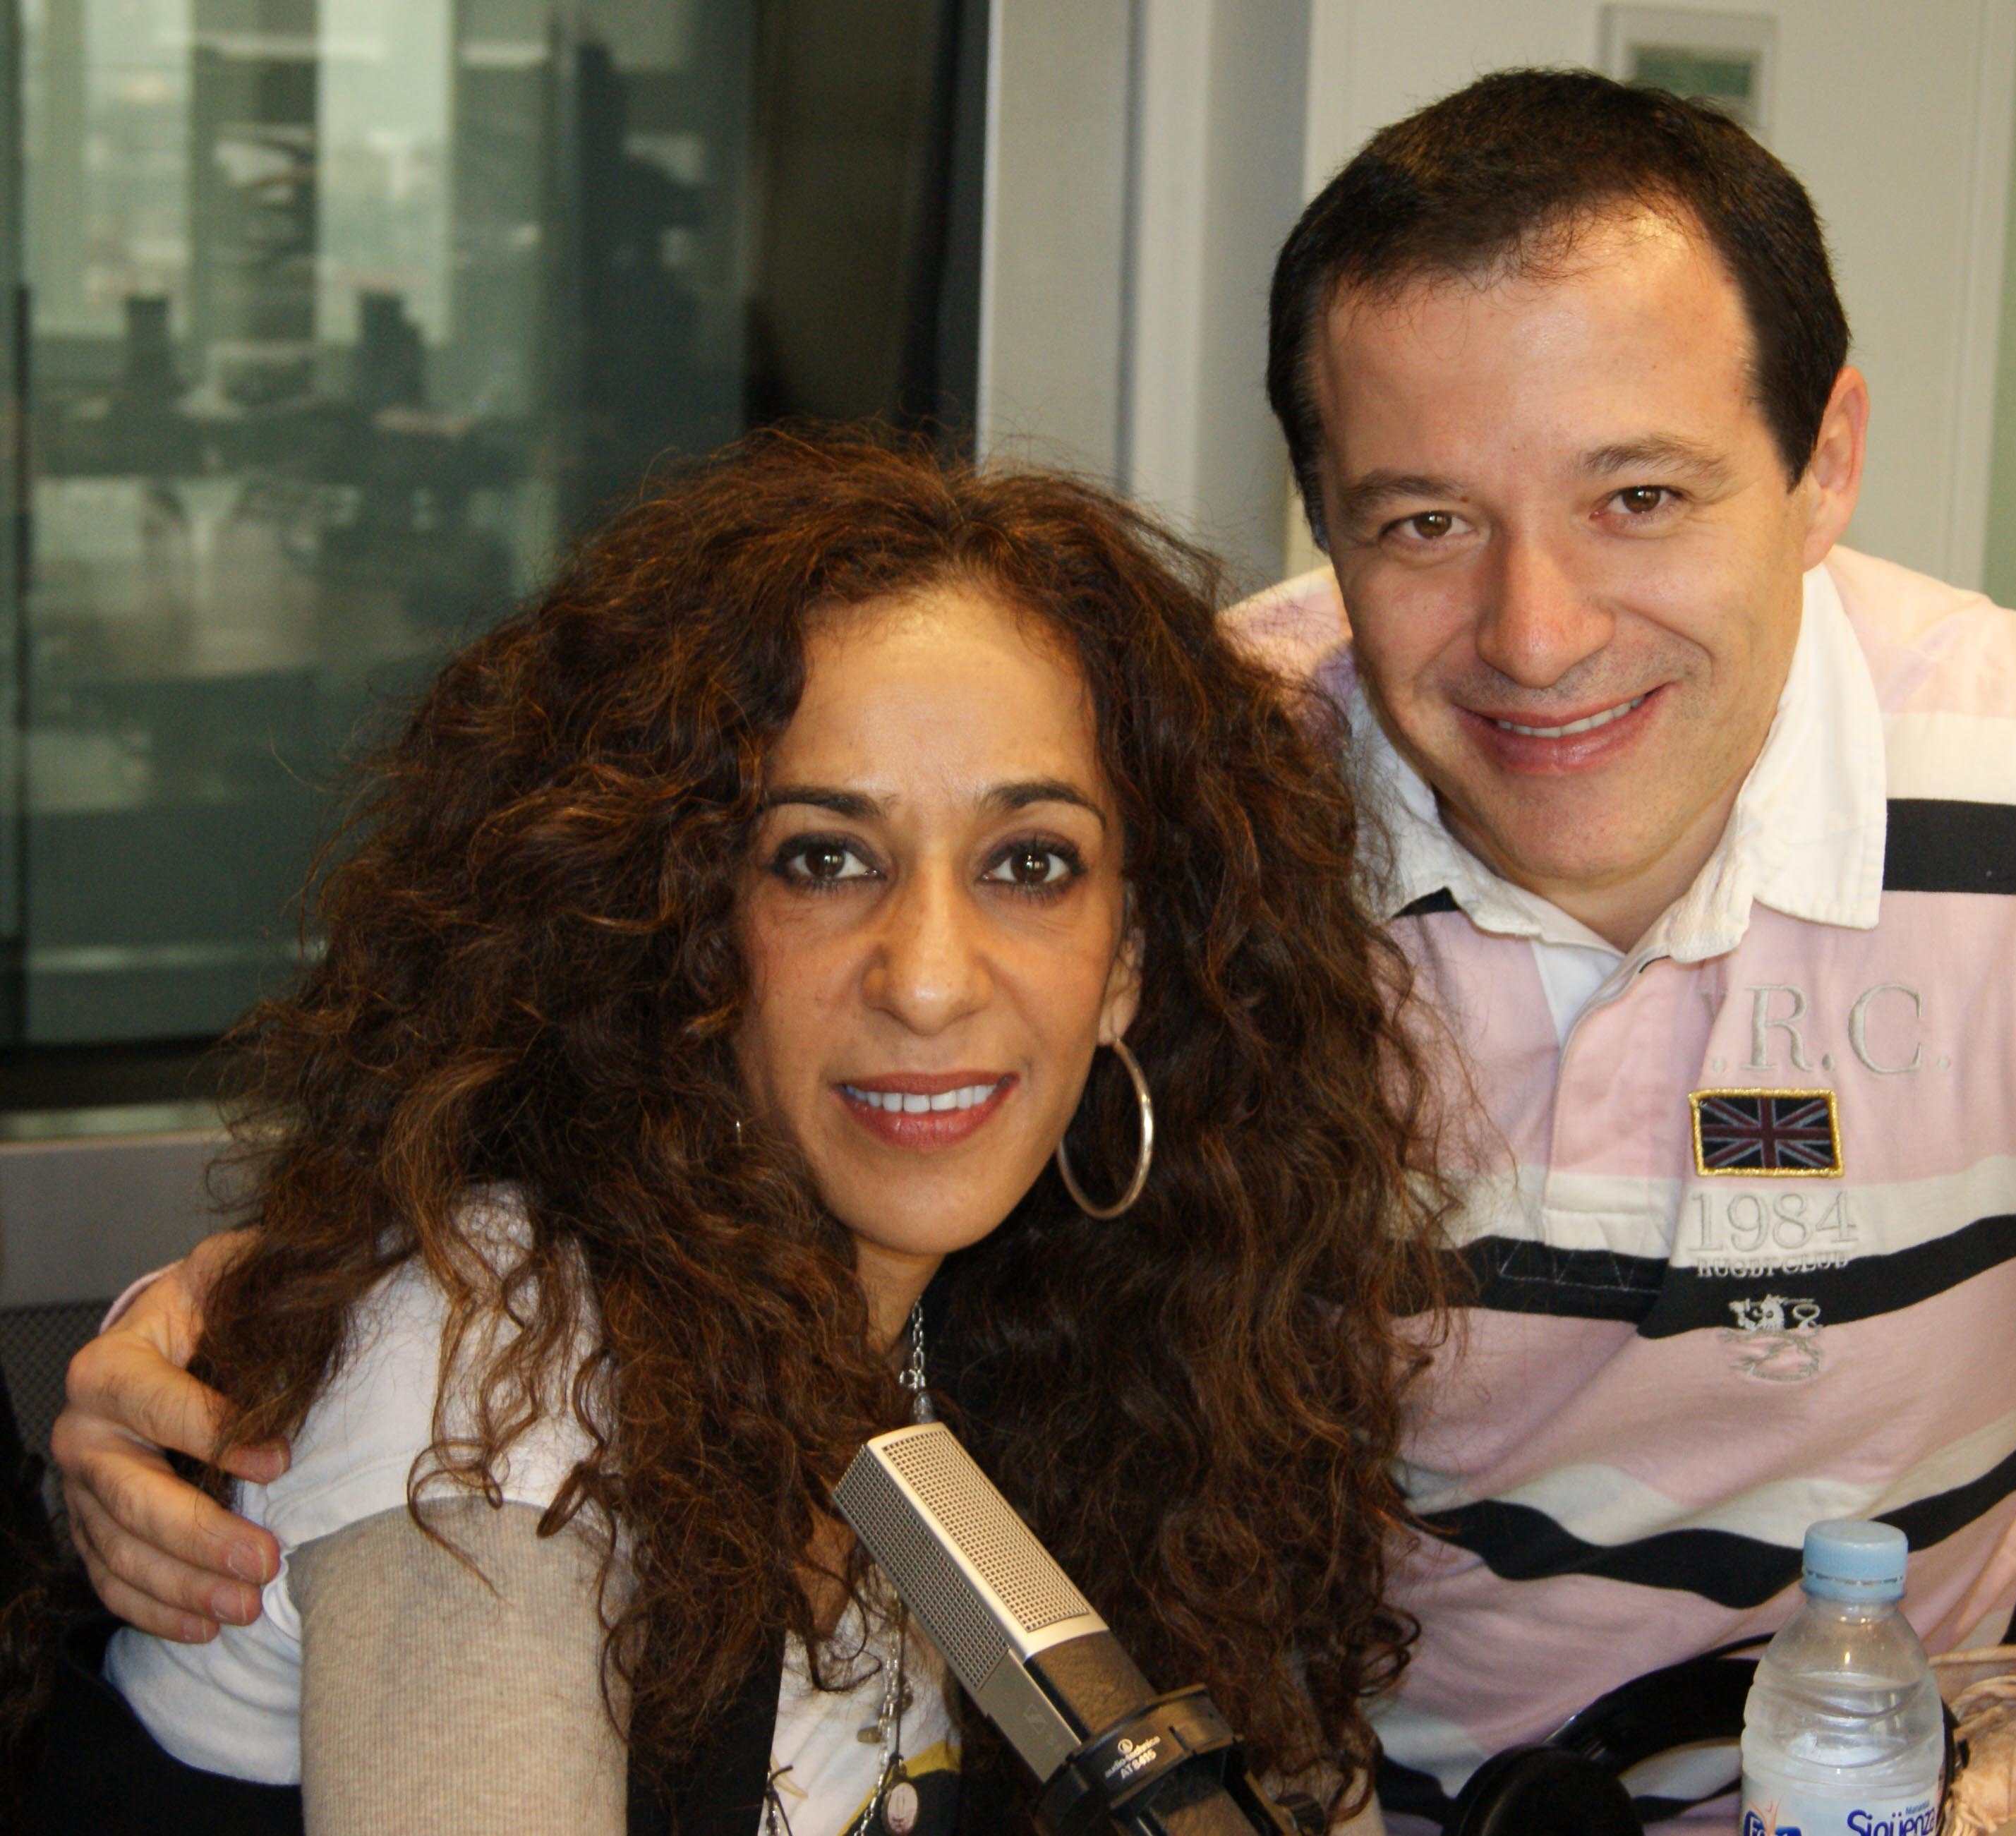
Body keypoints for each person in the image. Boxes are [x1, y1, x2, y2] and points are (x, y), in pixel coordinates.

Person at [56, 69, 2016, 1835]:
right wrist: (280, 1328)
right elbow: (608, 1144)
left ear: (1825, 464)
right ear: (1322, 527)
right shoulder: (1187, 780)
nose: (1536, 635)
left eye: (1642, 493)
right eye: (1421, 521)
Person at [24, 431, 1443, 1833]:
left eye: (1030, 863)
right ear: (674, 914)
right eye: (823, 859)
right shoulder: (498, 1347)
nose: (930, 978)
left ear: (1126, 959)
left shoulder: (1042, 1333)